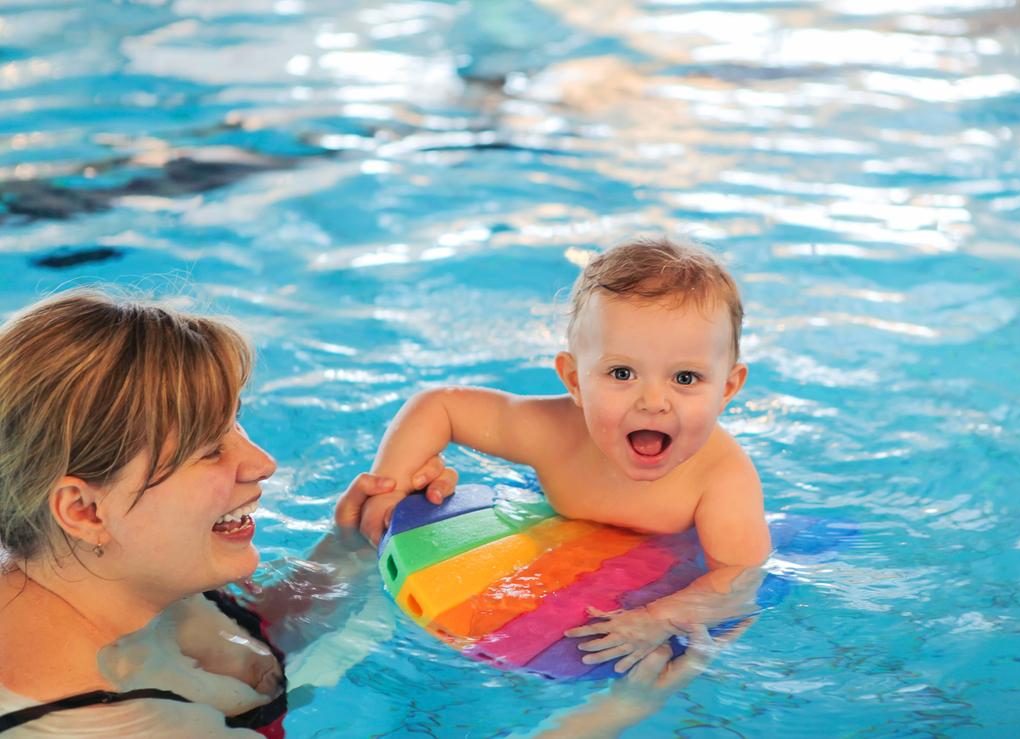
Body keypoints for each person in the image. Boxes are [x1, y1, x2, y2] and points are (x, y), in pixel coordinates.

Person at [0, 288, 709, 738]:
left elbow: (239, 635)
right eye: (207, 452)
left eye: (237, 423)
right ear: (82, 509)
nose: (261, 463)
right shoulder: (118, 728)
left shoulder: (82, 575)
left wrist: (350, 547)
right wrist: (610, 717)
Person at [358, 235, 771, 674]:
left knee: (661, 673)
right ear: (574, 380)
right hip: (556, 541)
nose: (654, 401)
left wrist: (658, 618)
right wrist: (391, 487)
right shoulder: (553, 433)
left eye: (686, 378)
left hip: (665, 564)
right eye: (622, 372)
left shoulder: (721, 478)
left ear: (727, 388)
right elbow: (439, 406)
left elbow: (741, 578)